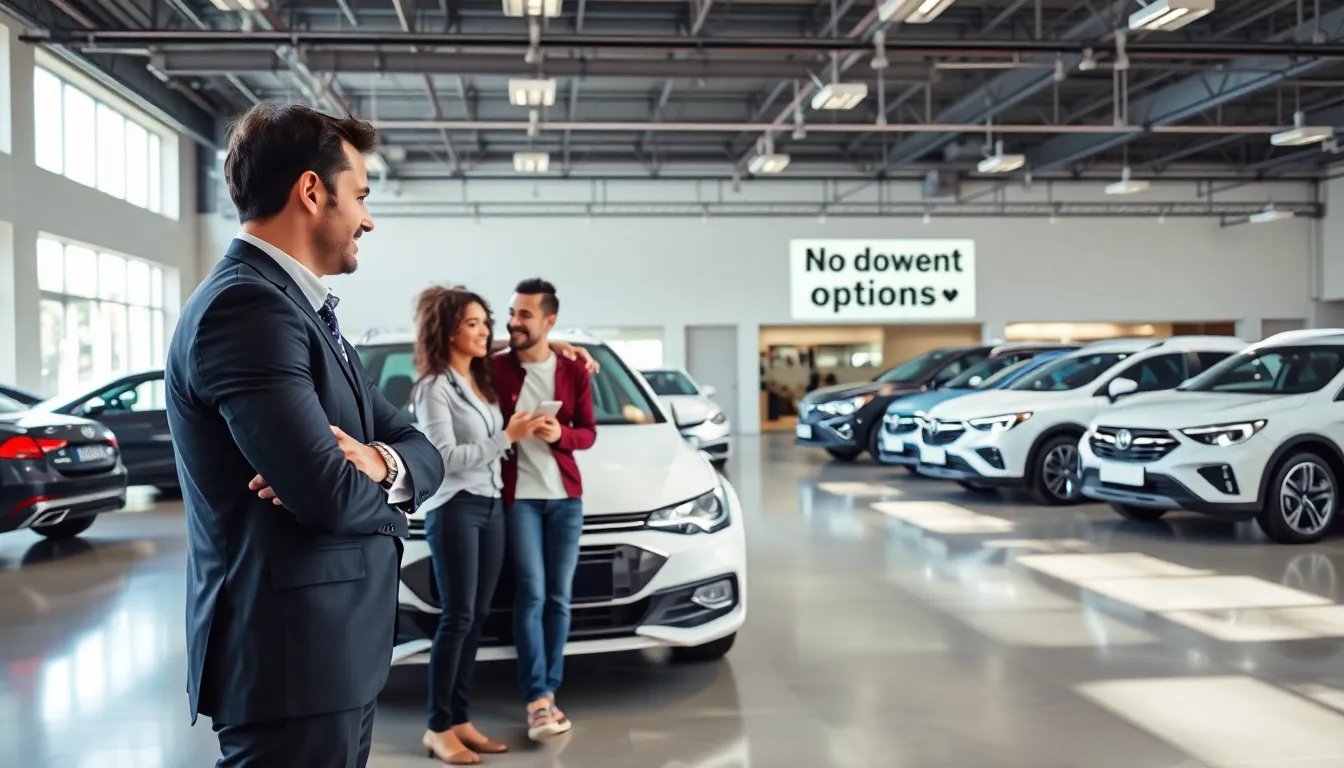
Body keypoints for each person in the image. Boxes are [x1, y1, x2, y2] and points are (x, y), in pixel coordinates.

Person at [164, 102, 444, 768]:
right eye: (361, 196)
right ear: (311, 192)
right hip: (292, 661)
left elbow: (419, 448)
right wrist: (357, 482)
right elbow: (327, 497)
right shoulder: (247, 309)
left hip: (333, 655)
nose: (368, 218)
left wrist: (375, 462)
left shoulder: (301, 311)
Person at [410, 286, 543, 765]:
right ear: (447, 331)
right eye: (474, 324)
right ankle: (438, 726)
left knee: (476, 619)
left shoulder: (479, 380)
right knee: (457, 617)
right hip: (455, 508)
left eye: (486, 323)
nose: (486, 331)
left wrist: (569, 346)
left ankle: (460, 718)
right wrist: (508, 436)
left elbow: (529, 344)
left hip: (489, 507)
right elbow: (442, 459)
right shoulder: (433, 388)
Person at [492, 278, 597, 740]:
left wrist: (563, 437)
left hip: (566, 499)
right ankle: (537, 696)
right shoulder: (496, 367)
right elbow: (460, 349)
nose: (514, 321)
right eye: (512, 313)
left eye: (524, 315)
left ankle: (550, 690)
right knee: (531, 593)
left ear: (548, 320)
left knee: (559, 597)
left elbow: (588, 433)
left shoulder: (574, 371)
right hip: (521, 499)